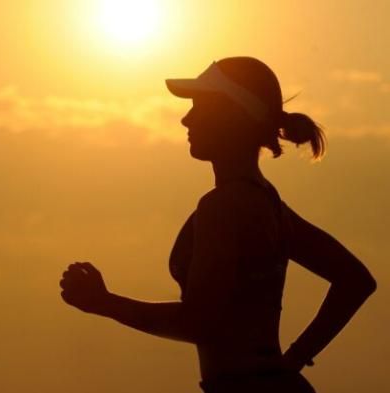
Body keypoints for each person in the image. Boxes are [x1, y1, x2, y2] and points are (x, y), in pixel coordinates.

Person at [58, 57, 377, 393]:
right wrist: (294, 359)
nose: (186, 119)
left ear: (233, 116)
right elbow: (355, 280)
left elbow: (201, 322)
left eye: (200, 107)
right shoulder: (268, 203)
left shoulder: (223, 207)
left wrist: (105, 303)